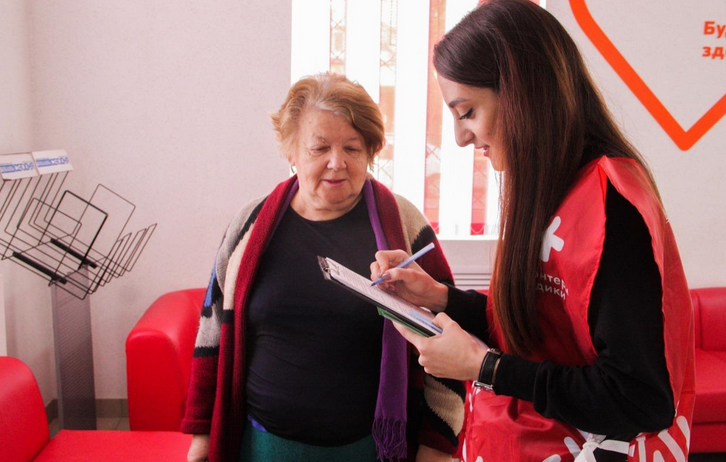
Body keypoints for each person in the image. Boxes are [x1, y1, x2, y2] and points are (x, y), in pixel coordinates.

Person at [369, 1, 695, 461]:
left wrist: (485, 368)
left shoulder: (611, 206)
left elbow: (639, 397)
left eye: (467, 113)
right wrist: (439, 298)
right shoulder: (545, 189)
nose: (462, 139)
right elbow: (539, 328)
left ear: (523, 94)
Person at [181, 72, 465, 462]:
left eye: (352, 147)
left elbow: (449, 337)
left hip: (371, 449)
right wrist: (200, 440)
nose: (337, 163)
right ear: (291, 153)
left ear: (370, 151)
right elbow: (211, 334)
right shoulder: (250, 225)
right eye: (319, 148)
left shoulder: (403, 224)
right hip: (262, 448)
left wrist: (437, 448)